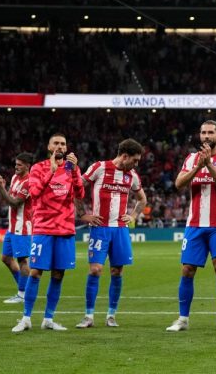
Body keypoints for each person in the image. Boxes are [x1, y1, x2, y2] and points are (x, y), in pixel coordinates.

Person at [166, 120, 216, 333]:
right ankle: (183, 319)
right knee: (187, 270)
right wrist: (199, 165)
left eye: (210, 133)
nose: (206, 136)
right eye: (203, 132)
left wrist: (209, 166)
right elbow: (178, 184)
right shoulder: (191, 159)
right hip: (194, 224)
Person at [12, 133, 84, 333]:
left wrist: (77, 171)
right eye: (56, 143)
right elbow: (34, 193)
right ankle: (26, 318)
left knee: (59, 274)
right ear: (49, 147)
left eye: (63, 143)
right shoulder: (38, 168)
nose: (60, 146)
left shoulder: (71, 169)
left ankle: (48, 319)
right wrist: (50, 171)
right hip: (43, 227)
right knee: (35, 272)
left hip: (65, 228)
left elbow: (80, 193)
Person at [75, 139, 147, 329]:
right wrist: (82, 214)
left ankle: (111, 315)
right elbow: (77, 188)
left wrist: (132, 216)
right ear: (124, 156)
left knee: (117, 271)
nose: (136, 164)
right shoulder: (99, 167)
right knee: (95, 269)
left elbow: (142, 199)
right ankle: (89, 315)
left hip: (120, 230)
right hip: (100, 228)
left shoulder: (132, 176)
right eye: (135, 160)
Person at [0, 152, 35, 303]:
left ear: (28, 166)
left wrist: (1, 188)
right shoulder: (15, 178)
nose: (16, 167)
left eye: (20, 165)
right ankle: (25, 290)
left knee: (23, 260)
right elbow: (9, 197)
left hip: (22, 228)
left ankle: (22, 295)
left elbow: (15, 203)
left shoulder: (29, 182)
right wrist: (3, 186)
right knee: (6, 258)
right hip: (12, 227)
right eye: (15, 164)